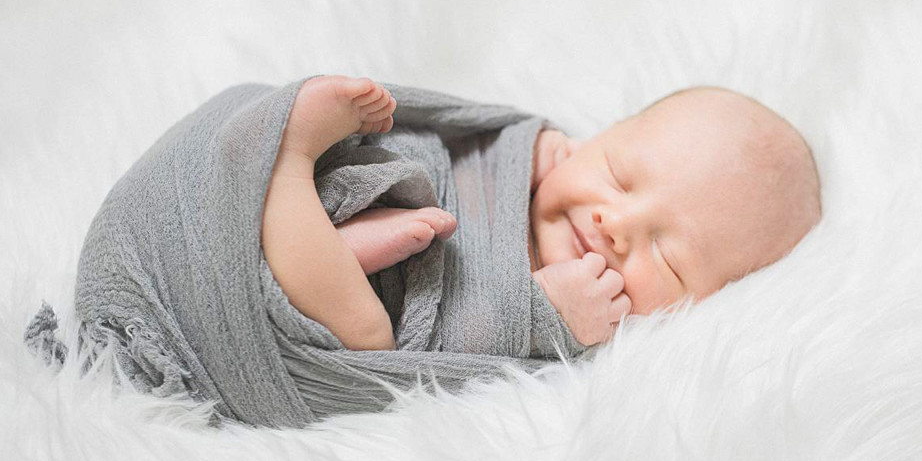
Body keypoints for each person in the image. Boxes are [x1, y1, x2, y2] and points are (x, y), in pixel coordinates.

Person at [262, 75, 821, 351]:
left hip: (302, 305)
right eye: (617, 176)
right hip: (342, 186)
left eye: (667, 256)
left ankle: (304, 209)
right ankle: (303, 202)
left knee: (366, 334)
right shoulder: (529, 165)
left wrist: (542, 317)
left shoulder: (588, 333)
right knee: (390, 164)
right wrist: (521, 148)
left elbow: (452, 373)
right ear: (588, 143)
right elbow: (452, 136)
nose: (616, 224)